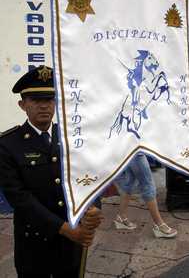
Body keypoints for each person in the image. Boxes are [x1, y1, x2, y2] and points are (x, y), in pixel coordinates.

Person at [0, 65, 103, 278]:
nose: (44, 106)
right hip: (35, 244)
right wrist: (65, 229)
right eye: (36, 100)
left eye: (48, 100)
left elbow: (87, 178)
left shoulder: (70, 138)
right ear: (22, 105)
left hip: (71, 244)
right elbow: (20, 199)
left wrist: (93, 207)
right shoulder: (9, 144)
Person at [114, 154, 177, 238]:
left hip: (127, 148)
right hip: (135, 149)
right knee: (147, 184)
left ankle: (121, 217)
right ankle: (159, 225)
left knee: (129, 182)